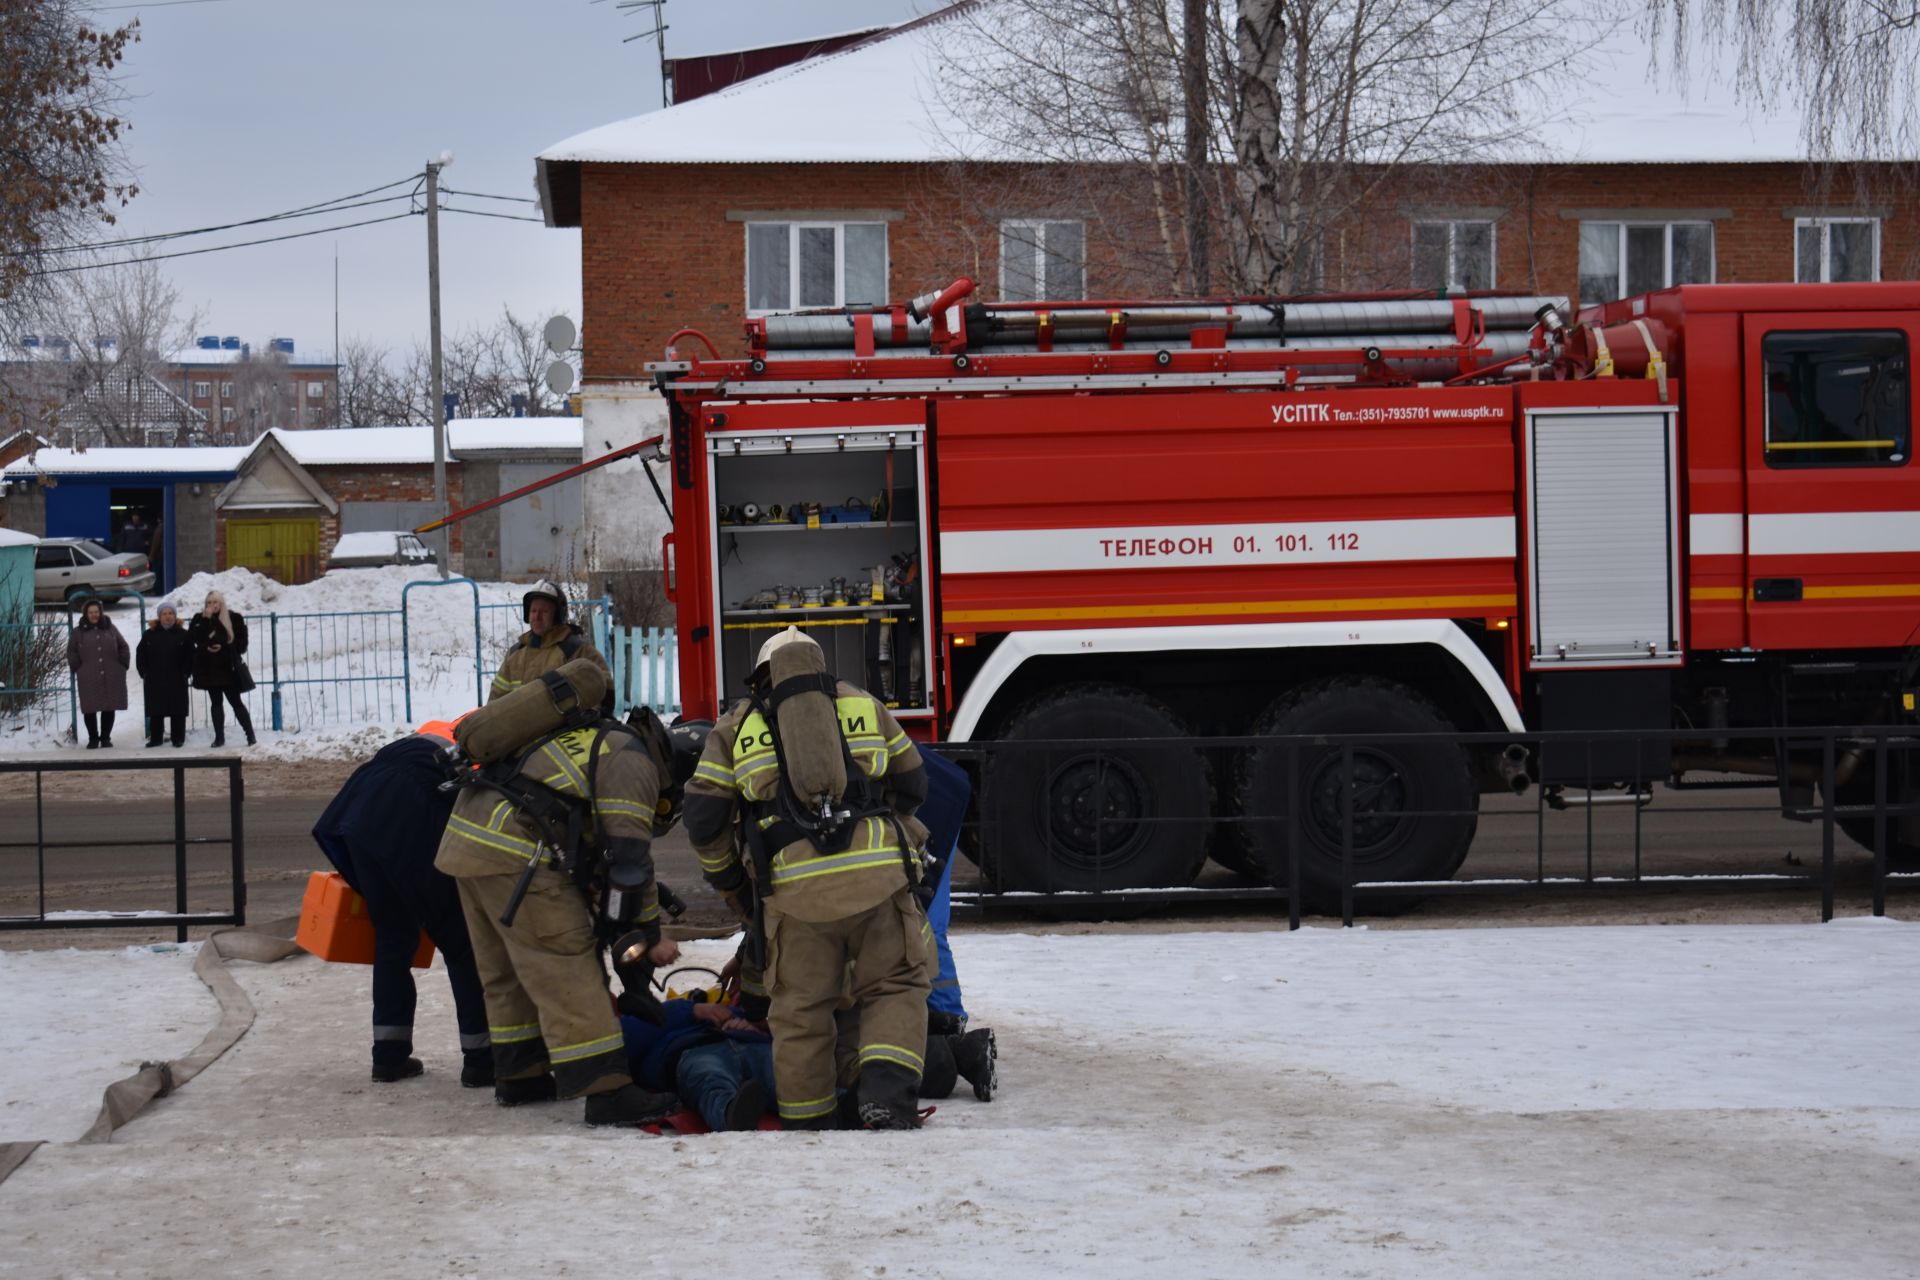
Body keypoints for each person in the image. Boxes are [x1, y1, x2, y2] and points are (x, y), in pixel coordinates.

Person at [683, 626, 933, 1130]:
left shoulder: (735, 726)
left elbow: (705, 819)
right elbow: (913, 782)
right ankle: (882, 1093)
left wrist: (734, 883)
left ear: (761, 674)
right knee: (894, 984)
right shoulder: (863, 704)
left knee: (799, 1010)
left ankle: (807, 1122)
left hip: (793, 895)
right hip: (878, 882)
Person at [434, 658, 701, 1127]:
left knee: (506, 970)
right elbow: (629, 865)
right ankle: (607, 1091)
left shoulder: (592, 736)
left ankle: (521, 1074)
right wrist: (645, 941)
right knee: (566, 961)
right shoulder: (631, 760)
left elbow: (601, 856)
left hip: (467, 839)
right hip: (517, 852)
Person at [313, 722, 491, 1086]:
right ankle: (483, 1059)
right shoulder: (488, 748)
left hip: (359, 819)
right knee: (460, 941)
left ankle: (389, 1057)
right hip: (407, 816)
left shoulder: (445, 733)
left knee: (394, 939)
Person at [619, 996, 776, 1133]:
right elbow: (632, 1033)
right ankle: (731, 1114)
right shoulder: (625, 1029)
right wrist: (692, 1010)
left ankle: (796, 1103)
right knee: (710, 1077)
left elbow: (773, 1028)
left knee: (778, 1071)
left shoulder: (725, 1010)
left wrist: (755, 1028)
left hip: (749, 1042)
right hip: (695, 1050)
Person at [489, 581, 609, 704]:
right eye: (533, 611)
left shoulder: (577, 650)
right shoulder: (515, 655)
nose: (537, 617)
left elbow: (604, 690)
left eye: (544, 611)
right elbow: (496, 700)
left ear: (557, 616)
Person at [188, 590, 255, 747]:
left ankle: (250, 735)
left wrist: (223, 646)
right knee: (216, 703)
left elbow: (242, 645)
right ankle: (219, 737)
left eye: (215, 602)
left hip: (228, 668)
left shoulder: (234, 618)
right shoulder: (200, 619)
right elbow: (194, 639)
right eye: (209, 603)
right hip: (210, 669)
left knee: (236, 702)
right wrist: (205, 622)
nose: (212, 606)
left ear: (222, 603)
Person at [67, 597, 129, 749]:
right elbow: (71, 651)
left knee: (109, 706)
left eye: (96, 612)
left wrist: (122, 664)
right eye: (90, 612)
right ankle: (93, 739)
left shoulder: (110, 628)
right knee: (90, 708)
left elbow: (123, 646)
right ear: (85, 614)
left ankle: (106, 738)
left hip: (111, 673)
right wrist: (78, 668)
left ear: (100, 613)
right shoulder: (78, 632)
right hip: (88, 675)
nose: (94, 615)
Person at [135, 604, 194, 748]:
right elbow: (140, 654)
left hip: (177, 678)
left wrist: (186, 672)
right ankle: (156, 738)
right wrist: (144, 673)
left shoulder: (184, 634)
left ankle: (178, 738)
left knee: (177, 709)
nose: (168, 616)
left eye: (170, 613)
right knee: (156, 709)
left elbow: (191, 655)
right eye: (164, 614)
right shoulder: (149, 634)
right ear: (159, 617)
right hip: (155, 678)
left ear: (175, 615)